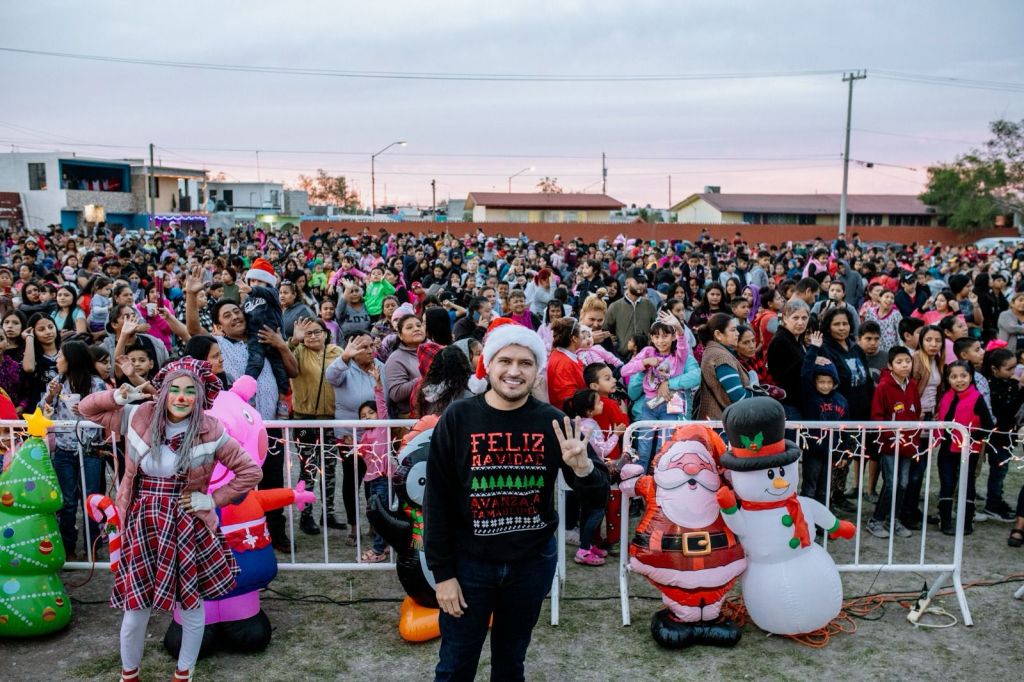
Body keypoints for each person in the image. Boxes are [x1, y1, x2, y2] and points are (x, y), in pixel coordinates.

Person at [424, 323, 608, 681]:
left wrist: (583, 467)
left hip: (530, 564)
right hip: (469, 567)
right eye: (505, 360)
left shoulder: (553, 422)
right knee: (455, 666)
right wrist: (443, 574)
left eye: (525, 363)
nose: (514, 371)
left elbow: (598, 495)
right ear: (488, 365)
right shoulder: (458, 418)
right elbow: (437, 502)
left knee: (510, 664)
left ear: (535, 370)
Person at [78, 358, 262, 682]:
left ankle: (184, 674)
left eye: (190, 391)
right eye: (174, 389)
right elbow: (86, 410)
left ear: (200, 395)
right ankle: (129, 675)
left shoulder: (211, 428)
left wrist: (213, 499)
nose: (181, 397)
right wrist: (116, 398)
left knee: (191, 603)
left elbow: (251, 471)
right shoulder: (138, 415)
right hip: (142, 520)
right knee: (136, 608)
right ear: (162, 391)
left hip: (186, 523)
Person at [38, 340, 108, 560]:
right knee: (67, 502)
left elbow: (106, 413)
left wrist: (87, 410)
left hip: (90, 450)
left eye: (60, 356)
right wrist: (51, 395)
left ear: (71, 360)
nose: (57, 360)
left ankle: (92, 547)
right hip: (64, 451)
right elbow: (42, 410)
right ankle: (67, 546)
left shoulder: (96, 383)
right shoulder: (57, 381)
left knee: (90, 499)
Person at [289, 318, 344, 536]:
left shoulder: (336, 352)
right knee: (308, 469)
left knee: (330, 469)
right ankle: (306, 515)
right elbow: (283, 357)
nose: (313, 336)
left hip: (331, 419)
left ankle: (328, 513)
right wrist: (294, 340)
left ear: (326, 333)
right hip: (305, 420)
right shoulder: (298, 351)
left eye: (317, 332)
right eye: (308, 333)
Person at [621, 312, 692, 470]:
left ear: (673, 337)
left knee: (665, 448)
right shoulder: (648, 352)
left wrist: (679, 328)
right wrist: (644, 362)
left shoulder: (678, 356)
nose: (661, 340)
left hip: (670, 407)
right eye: (656, 336)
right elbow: (624, 371)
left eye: (665, 336)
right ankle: (639, 482)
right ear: (651, 338)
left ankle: (661, 483)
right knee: (643, 449)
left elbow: (683, 345)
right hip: (649, 406)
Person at [866, 346, 921, 539]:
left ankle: (893, 519)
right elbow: (877, 416)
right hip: (889, 445)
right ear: (890, 365)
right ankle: (876, 520)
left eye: (907, 361)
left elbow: (916, 412)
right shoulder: (883, 387)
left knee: (903, 483)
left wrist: (914, 436)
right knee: (892, 483)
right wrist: (890, 434)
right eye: (899, 362)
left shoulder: (912, 385)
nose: (905, 365)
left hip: (908, 444)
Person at [935, 361, 993, 536]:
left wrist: (971, 438)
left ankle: (967, 520)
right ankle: (944, 520)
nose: (959, 380)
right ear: (948, 379)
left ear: (971, 377)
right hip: (946, 448)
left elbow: (988, 425)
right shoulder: (946, 396)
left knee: (967, 483)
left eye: (963, 376)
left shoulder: (977, 397)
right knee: (947, 482)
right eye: (954, 376)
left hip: (969, 450)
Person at [562, 388, 617, 566]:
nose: (602, 404)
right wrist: (616, 434)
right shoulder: (591, 425)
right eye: (599, 402)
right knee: (596, 511)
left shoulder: (573, 423)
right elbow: (603, 450)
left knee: (587, 510)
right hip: (593, 474)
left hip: (576, 476)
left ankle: (588, 545)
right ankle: (584, 551)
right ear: (590, 411)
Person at [799, 331, 849, 505]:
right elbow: (805, 374)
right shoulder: (810, 396)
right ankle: (807, 522)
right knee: (809, 488)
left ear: (834, 382)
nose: (825, 385)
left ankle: (823, 522)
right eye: (821, 381)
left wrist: (843, 452)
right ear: (815, 382)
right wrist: (813, 349)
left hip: (832, 451)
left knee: (825, 488)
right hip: (813, 451)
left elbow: (846, 430)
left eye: (829, 382)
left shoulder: (841, 400)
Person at [980, 347, 1019, 522]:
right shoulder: (992, 387)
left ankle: (996, 500)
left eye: (1014, 367)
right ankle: (993, 504)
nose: (1013, 372)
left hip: (1007, 434)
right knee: (999, 469)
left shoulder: (1009, 384)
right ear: (995, 369)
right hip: (996, 434)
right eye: (1009, 369)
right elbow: (1006, 411)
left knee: (1001, 470)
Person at [697, 313, 752, 421]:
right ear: (718, 334)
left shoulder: (714, 351)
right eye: (733, 330)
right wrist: (762, 396)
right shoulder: (720, 356)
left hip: (718, 420)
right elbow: (738, 396)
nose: (737, 334)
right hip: (721, 424)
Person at [604, 272, 657, 357]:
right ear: (627, 283)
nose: (641, 286)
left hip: (646, 357)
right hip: (622, 357)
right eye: (638, 282)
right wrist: (615, 344)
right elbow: (606, 330)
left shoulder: (649, 305)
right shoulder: (615, 306)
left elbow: (656, 328)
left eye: (643, 283)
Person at [546, 317, 586, 412]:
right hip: (570, 416)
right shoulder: (564, 363)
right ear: (574, 338)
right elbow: (567, 400)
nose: (583, 336)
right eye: (581, 333)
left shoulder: (559, 354)